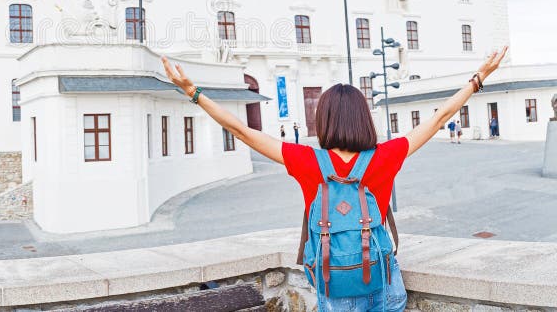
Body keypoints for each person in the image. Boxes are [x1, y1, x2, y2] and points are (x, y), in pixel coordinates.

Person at [161, 46, 507, 311]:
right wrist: (479, 76)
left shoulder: (306, 160)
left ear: (324, 120)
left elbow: (241, 129)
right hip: (385, 288)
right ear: (363, 118)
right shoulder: (385, 157)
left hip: (335, 290)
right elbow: (439, 117)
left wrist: (194, 92)